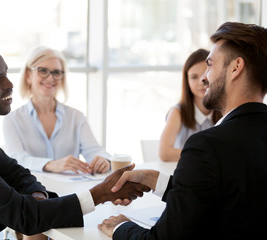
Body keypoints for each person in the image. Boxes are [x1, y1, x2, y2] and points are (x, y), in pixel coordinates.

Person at [0, 43, 150, 240]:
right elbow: (24, 217)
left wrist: (37, 197)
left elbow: (16, 172)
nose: (9, 84)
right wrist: (100, 194)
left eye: (7, 74)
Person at [98, 21, 267, 239]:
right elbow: (232, 200)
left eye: (210, 65)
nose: (205, 77)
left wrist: (121, 227)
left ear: (235, 68)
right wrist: (158, 182)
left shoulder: (207, 145)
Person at [3, 47, 111, 175]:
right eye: (43, 70)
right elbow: (16, 159)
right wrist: (51, 165)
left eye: (56, 72)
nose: (50, 78)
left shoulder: (76, 117)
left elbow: (94, 150)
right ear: (28, 75)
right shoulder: (12, 119)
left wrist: (104, 160)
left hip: (71, 190)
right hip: (33, 192)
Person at [159, 48, 222, 162]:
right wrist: (205, 154)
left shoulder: (224, 110)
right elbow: (164, 153)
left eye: (206, 74)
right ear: (186, 80)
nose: (201, 82)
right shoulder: (178, 112)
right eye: (194, 77)